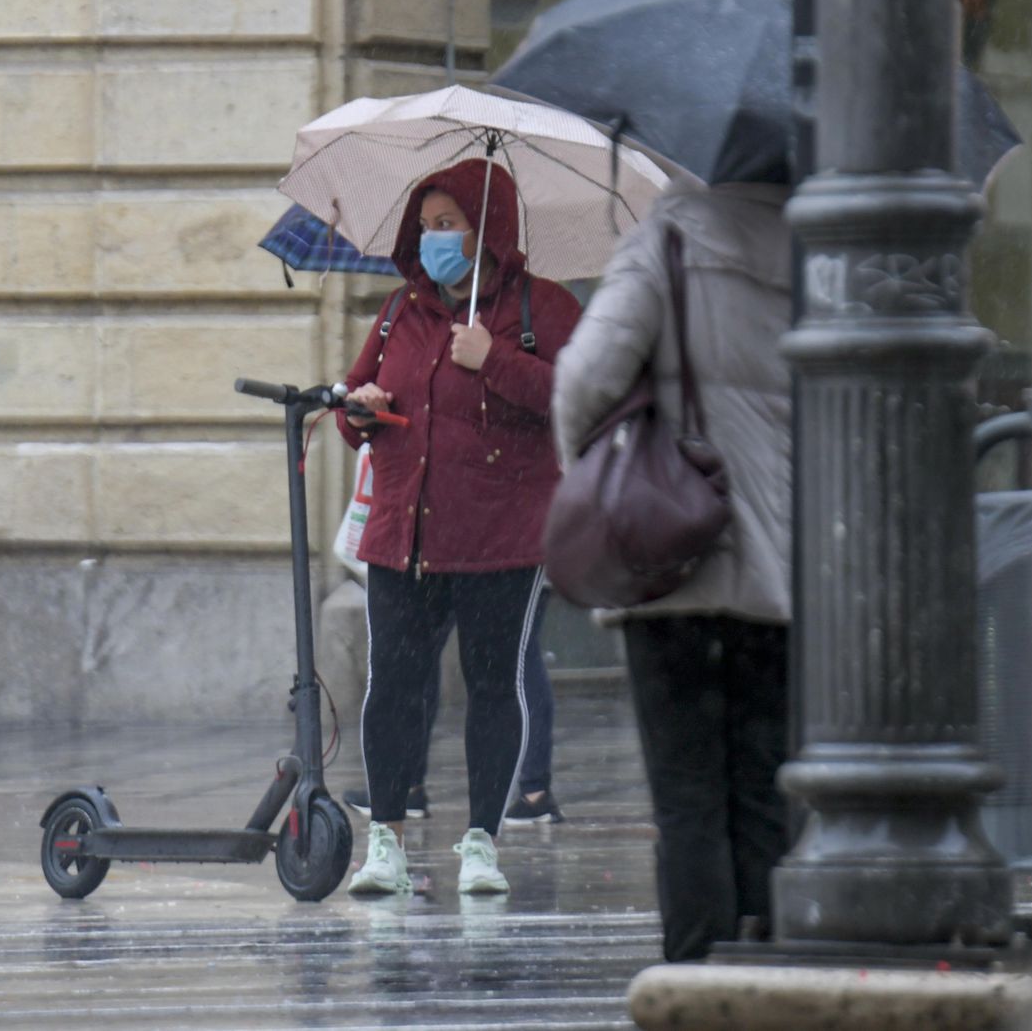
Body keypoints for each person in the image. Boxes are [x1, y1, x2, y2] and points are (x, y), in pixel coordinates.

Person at [551, 181, 792, 960]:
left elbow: (583, 376)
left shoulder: (668, 240)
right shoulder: (822, 252)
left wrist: (595, 470)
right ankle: (772, 973)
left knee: (688, 798)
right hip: (777, 571)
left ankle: (700, 980)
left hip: (673, 565)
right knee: (763, 792)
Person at [339, 158, 581, 896]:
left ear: (490, 228)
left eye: (450, 224)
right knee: (394, 686)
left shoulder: (545, 308)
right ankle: (386, 838)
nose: (435, 238)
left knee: (491, 684)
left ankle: (482, 840)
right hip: (402, 534)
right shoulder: (399, 311)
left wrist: (496, 359)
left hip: (500, 537)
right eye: (427, 225)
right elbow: (356, 404)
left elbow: (579, 398)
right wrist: (361, 407)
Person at [340, 601, 566, 824]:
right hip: (491, 569)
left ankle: (533, 792)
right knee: (512, 650)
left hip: (490, 570)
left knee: (513, 652)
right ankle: (407, 786)